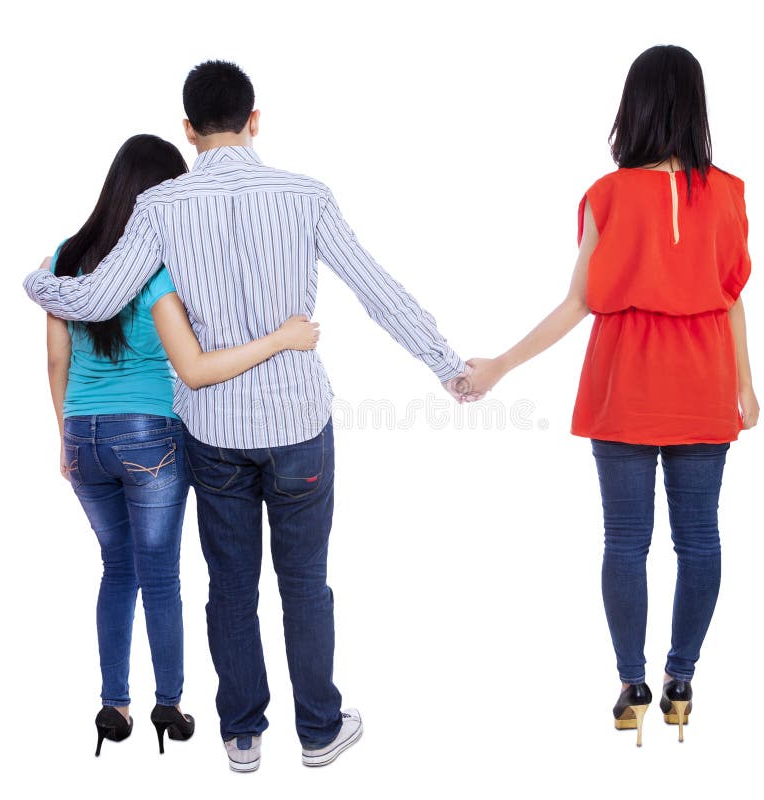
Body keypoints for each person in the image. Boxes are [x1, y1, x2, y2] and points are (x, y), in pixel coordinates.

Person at [25, 61, 469, 772]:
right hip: (299, 427)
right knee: (305, 581)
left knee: (229, 584)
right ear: (254, 119)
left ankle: (241, 735)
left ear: (189, 130)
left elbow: (97, 297)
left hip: (212, 432)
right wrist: (446, 364)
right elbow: (376, 289)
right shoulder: (306, 195)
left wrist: (34, 278)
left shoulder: (160, 208)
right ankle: (320, 730)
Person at [463, 45, 758, 746]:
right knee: (701, 538)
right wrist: (745, 381)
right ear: (696, 104)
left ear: (636, 106)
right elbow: (732, 296)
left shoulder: (607, 193)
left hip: (625, 381)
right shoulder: (731, 191)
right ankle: (681, 681)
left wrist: (502, 363)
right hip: (703, 381)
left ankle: (633, 684)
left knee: (626, 541)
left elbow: (578, 305)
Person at [44, 133, 321, 758]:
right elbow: (193, 366)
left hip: (83, 436)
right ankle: (169, 704)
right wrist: (280, 338)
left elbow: (56, 357)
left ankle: (114, 706)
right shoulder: (158, 263)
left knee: (117, 570)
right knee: (162, 576)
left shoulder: (65, 255)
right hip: (150, 434)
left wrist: (65, 434)